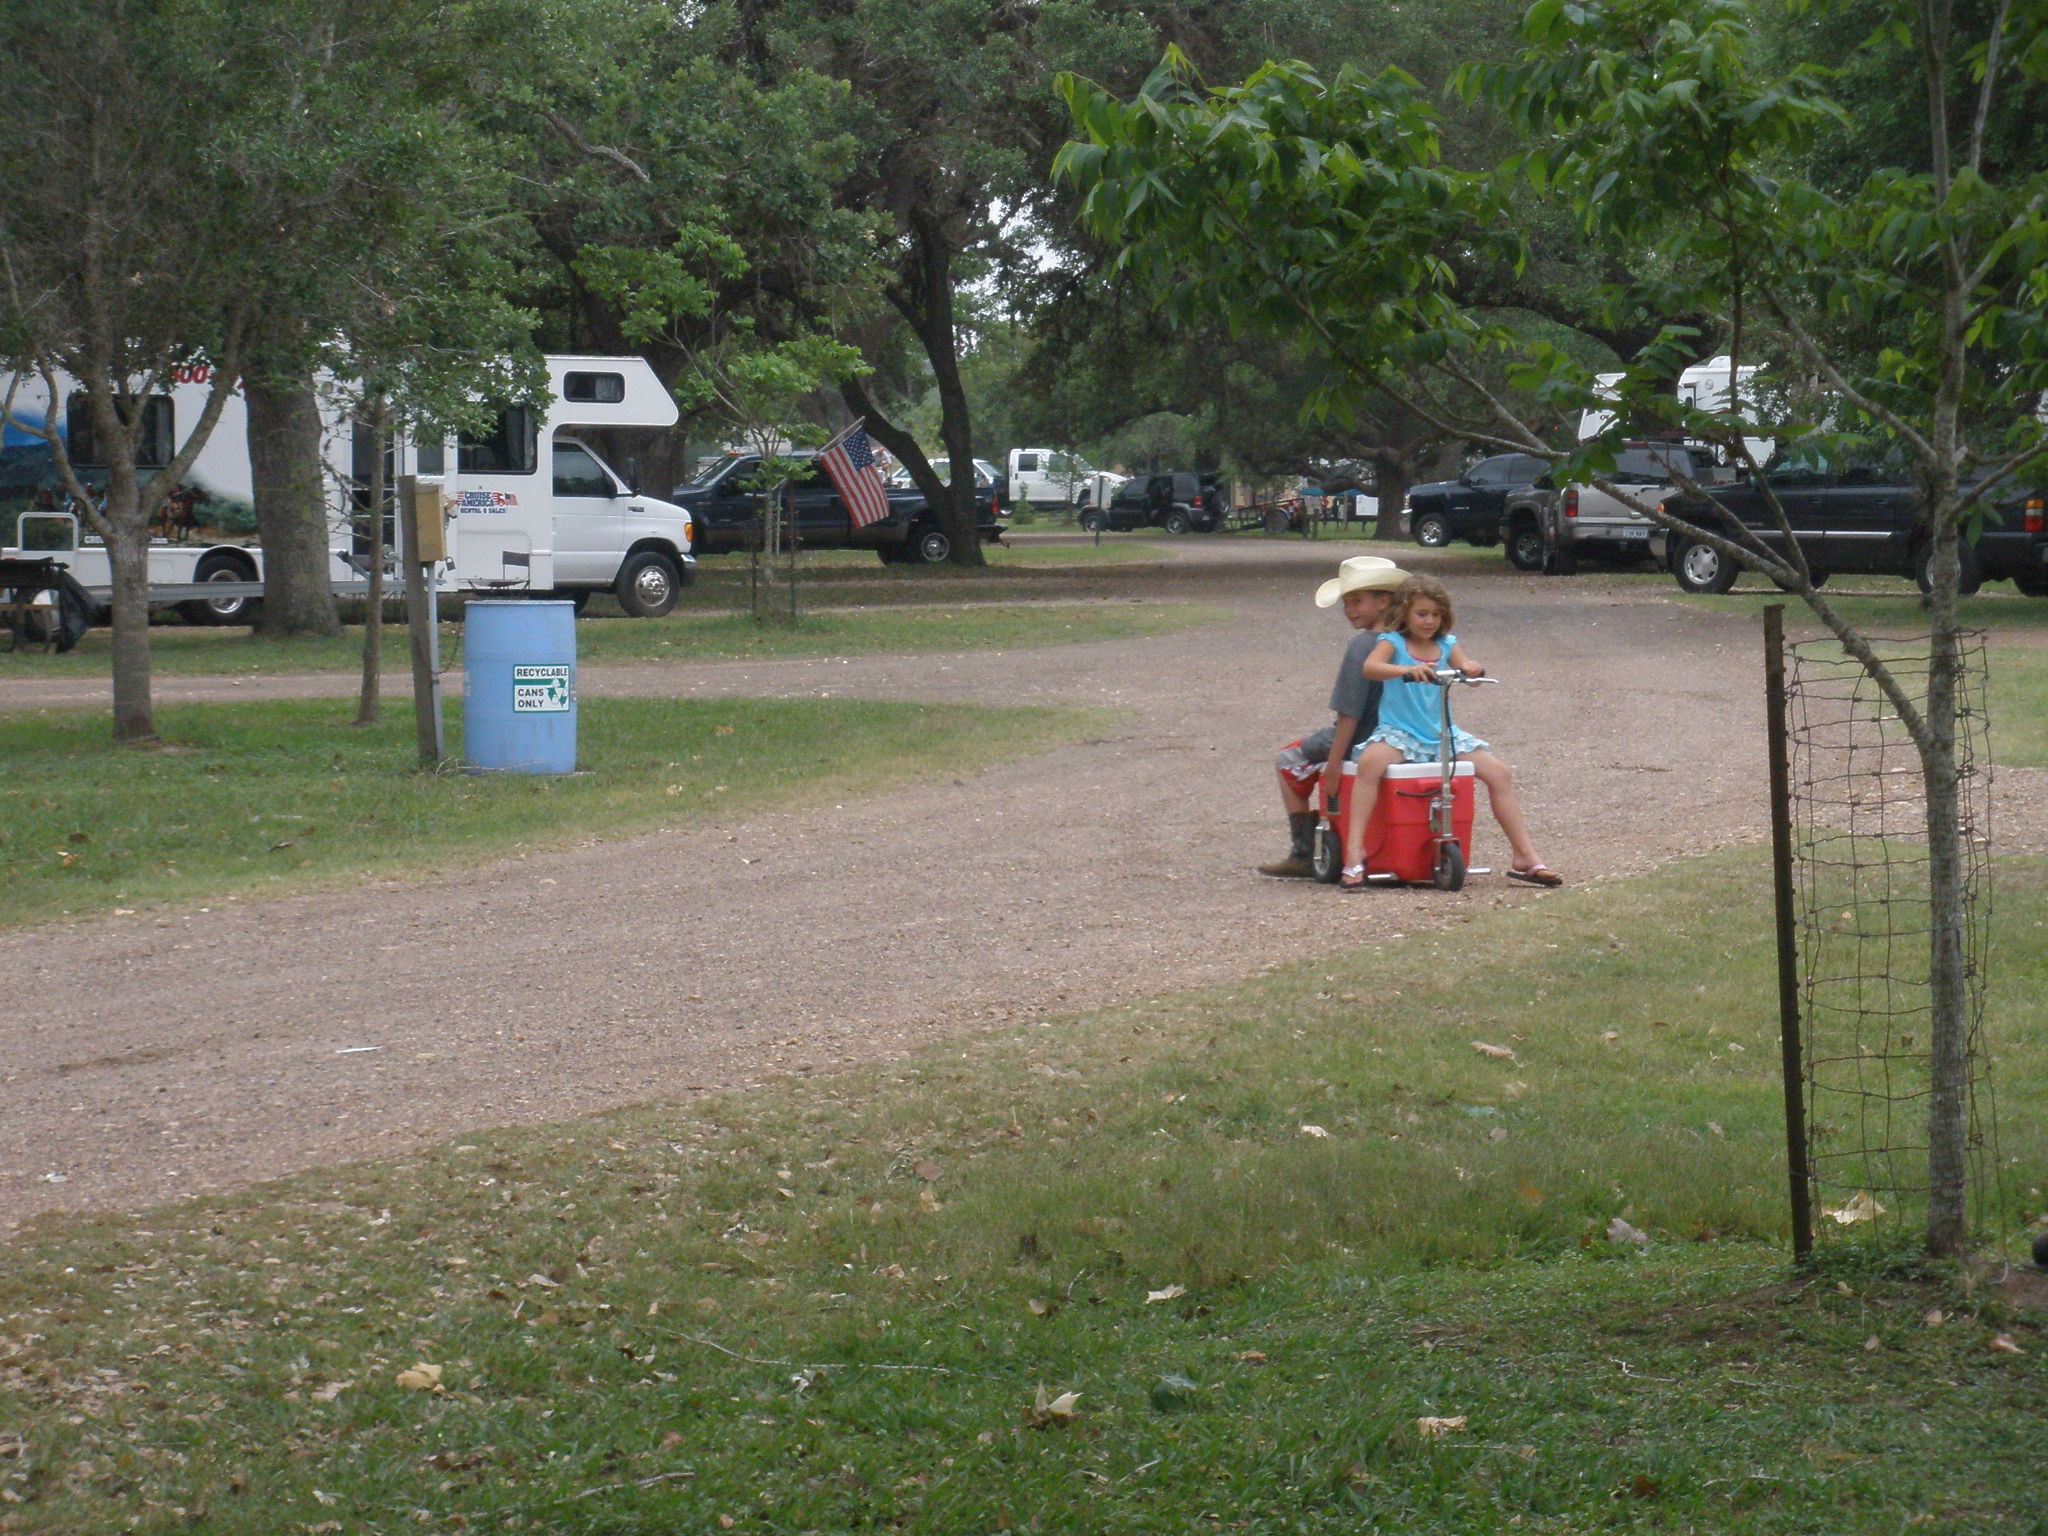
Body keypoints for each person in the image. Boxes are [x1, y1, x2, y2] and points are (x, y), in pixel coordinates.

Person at [1336, 574, 1562, 891]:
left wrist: (1472, 669)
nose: (1429, 621)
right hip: (1400, 732)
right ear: (1405, 614)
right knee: (1370, 764)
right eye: (1422, 614)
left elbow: (1467, 665)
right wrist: (1404, 670)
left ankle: (1525, 855)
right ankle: (1355, 851)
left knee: (1499, 773)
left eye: (1436, 615)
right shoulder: (1393, 643)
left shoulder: (1445, 644)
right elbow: (1371, 668)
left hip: (1441, 733)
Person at [1258, 555, 1409, 878]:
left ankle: (1302, 851)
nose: (1349, 610)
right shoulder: (1408, 641)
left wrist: (1336, 763)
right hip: (1401, 736)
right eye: (1346, 603)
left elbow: (1348, 715)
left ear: (1384, 601)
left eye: (1357, 601)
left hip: (1359, 738)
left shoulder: (1362, 646)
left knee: (1288, 758)